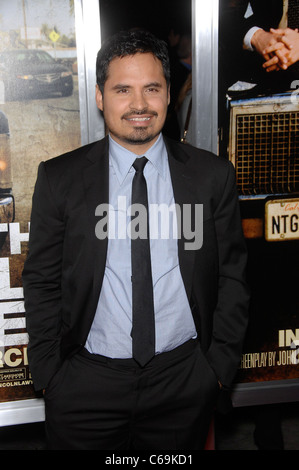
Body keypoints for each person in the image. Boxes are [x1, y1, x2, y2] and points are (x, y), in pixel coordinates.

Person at [22, 30, 249, 451]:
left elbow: (232, 277)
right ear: (99, 97)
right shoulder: (60, 178)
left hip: (182, 381)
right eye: (122, 90)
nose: (139, 105)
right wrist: (50, 373)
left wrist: (216, 369)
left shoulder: (211, 176)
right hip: (84, 384)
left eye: (152, 89)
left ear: (168, 95)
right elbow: (41, 281)